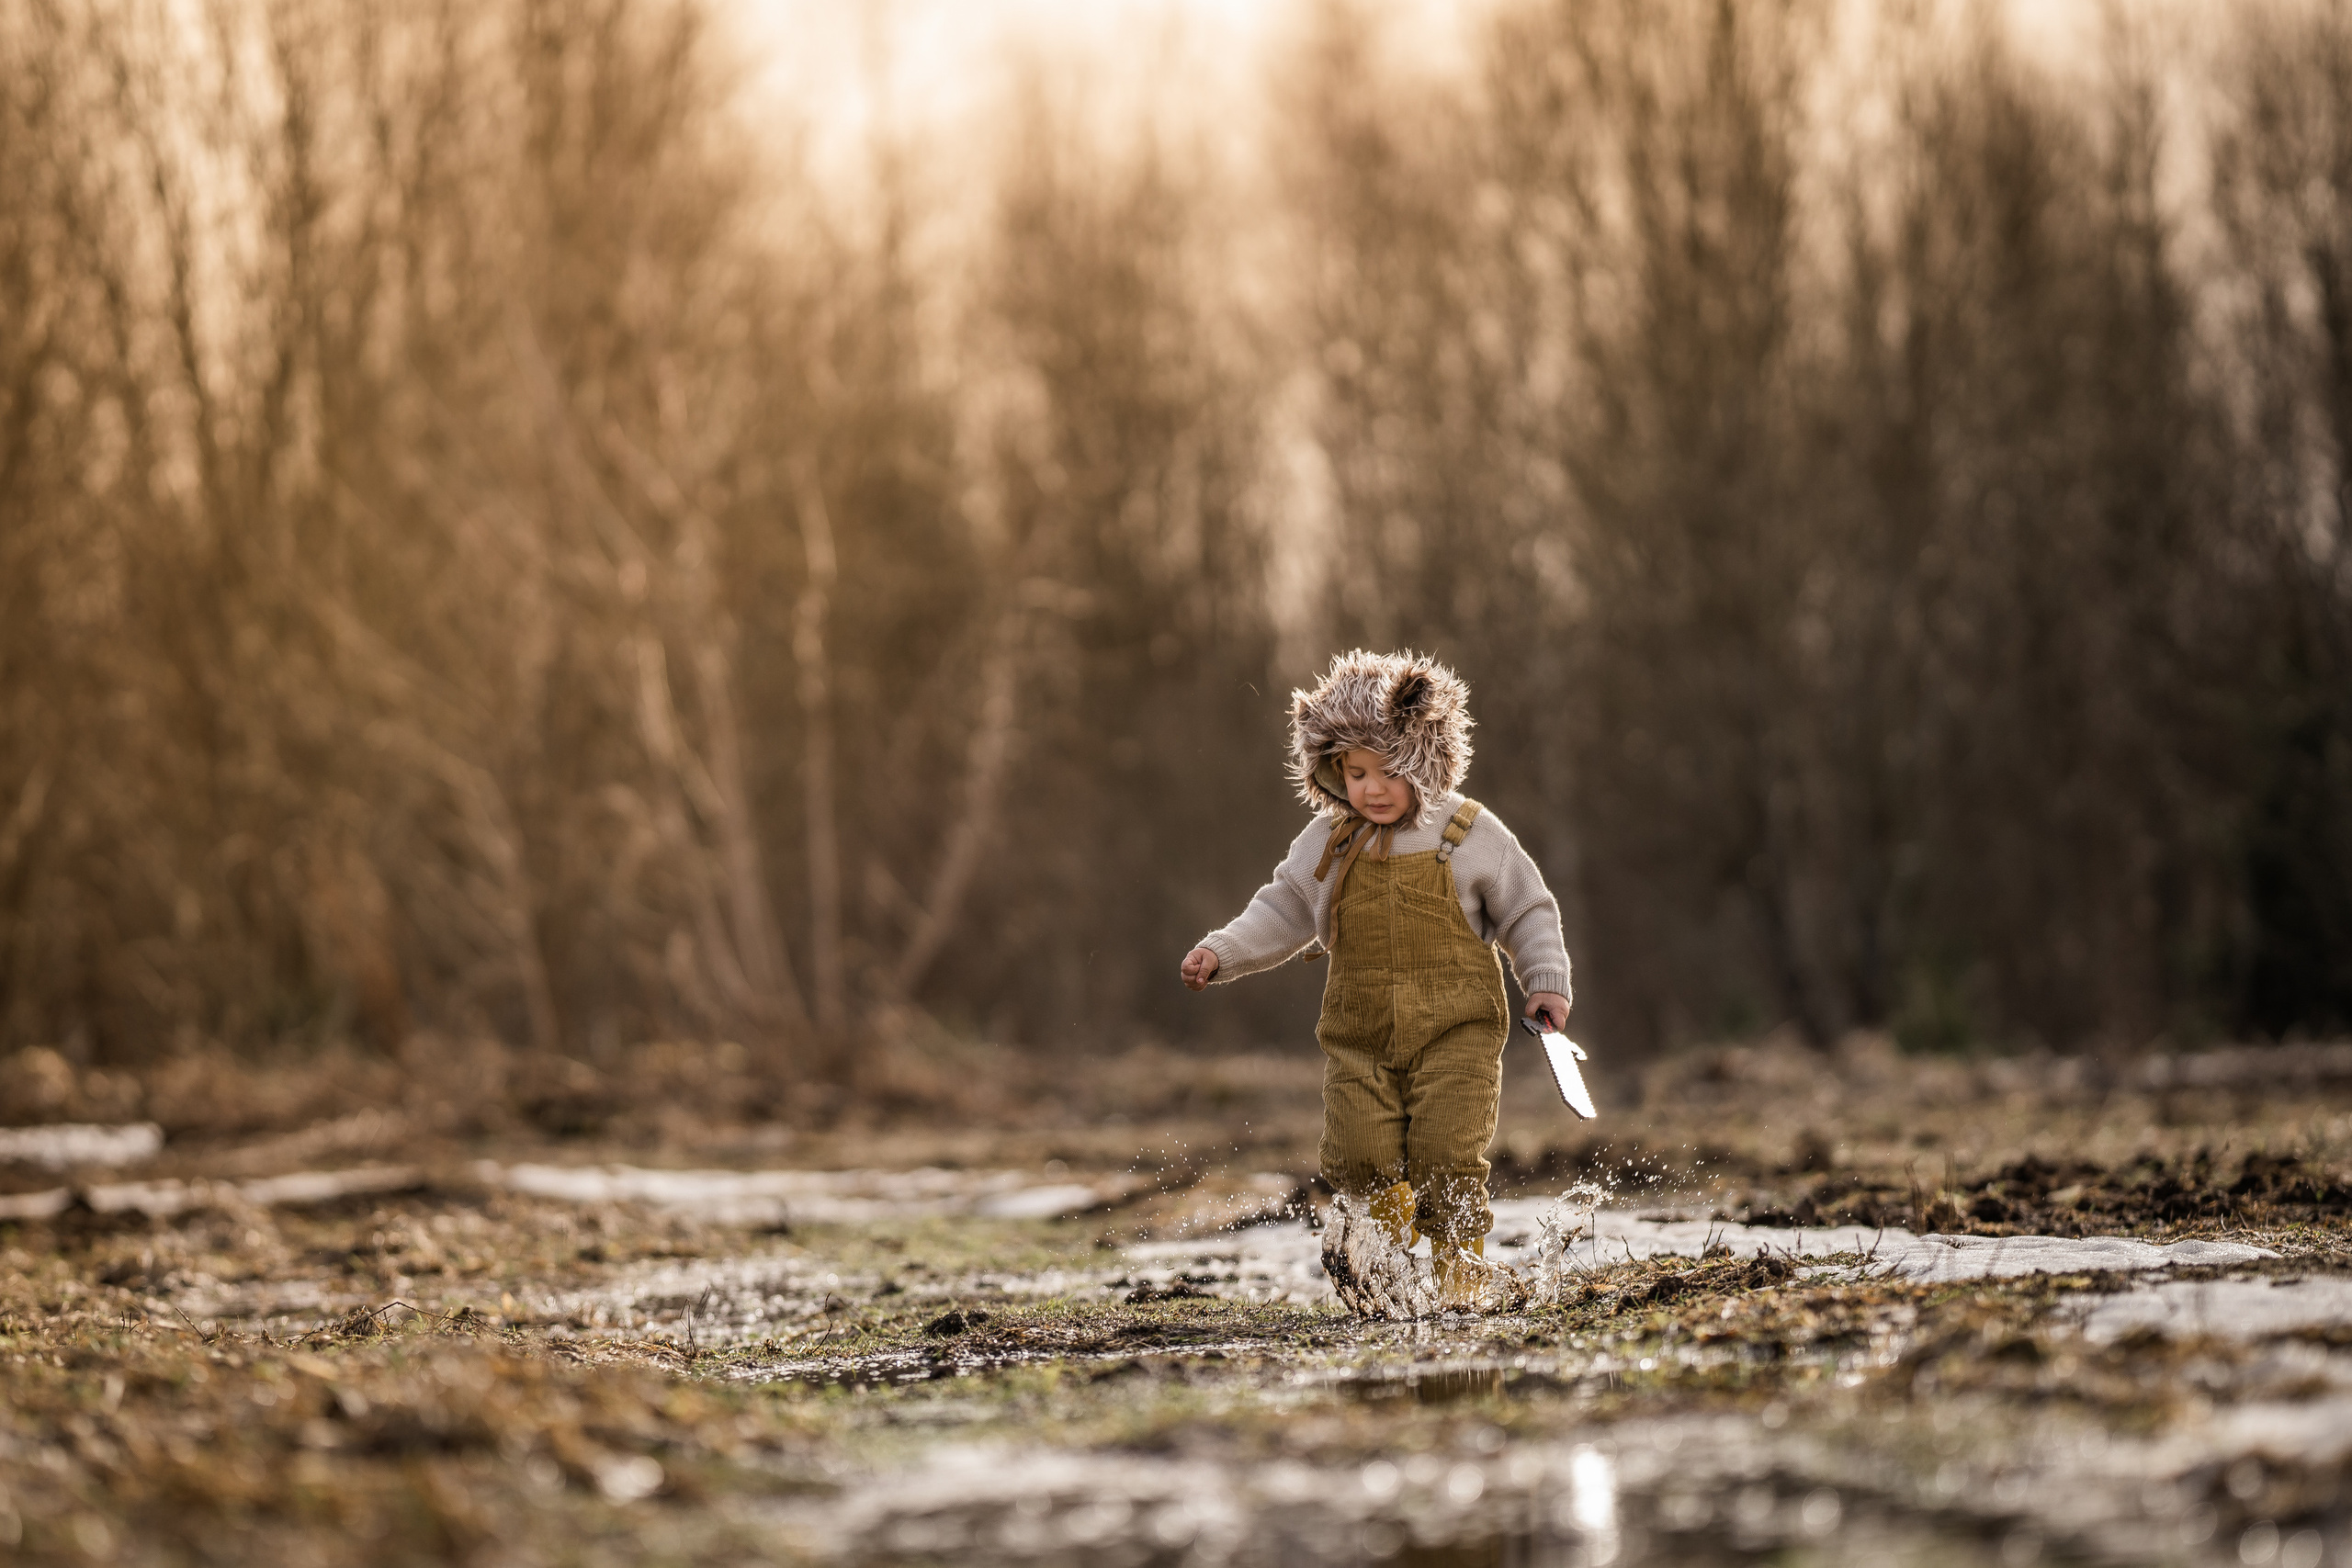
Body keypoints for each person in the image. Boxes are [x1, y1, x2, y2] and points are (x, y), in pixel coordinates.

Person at [1181, 649, 1573, 1315]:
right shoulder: (1330, 841)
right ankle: (1387, 1275)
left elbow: (1527, 907)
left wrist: (1543, 978)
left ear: (1428, 756)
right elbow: (1281, 908)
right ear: (1332, 768)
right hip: (1359, 1038)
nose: (1373, 787)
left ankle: (1458, 1279)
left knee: (1447, 1156)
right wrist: (1222, 952)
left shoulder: (1469, 833)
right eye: (1355, 772)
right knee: (1356, 1157)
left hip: (1458, 1034)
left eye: (1391, 770)